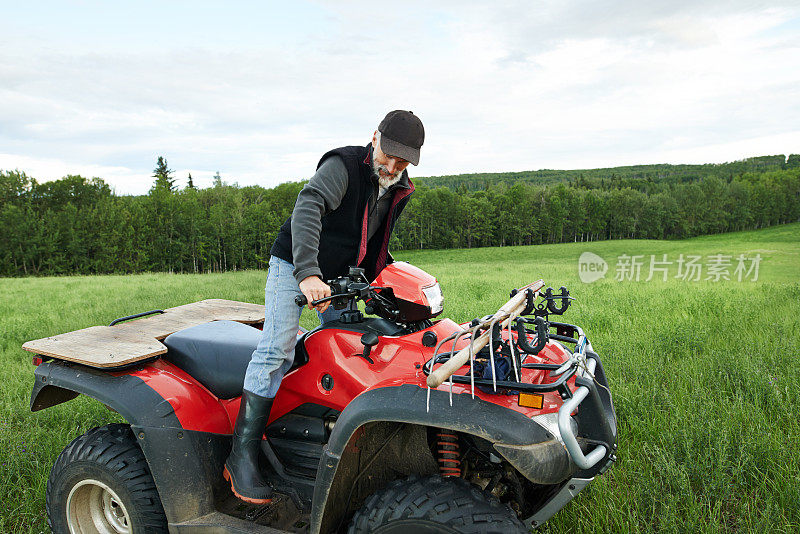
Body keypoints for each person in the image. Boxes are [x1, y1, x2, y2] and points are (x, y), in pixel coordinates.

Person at [223, 110, 425, 503]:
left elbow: (375, 243)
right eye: (390, 154)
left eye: (404, 160)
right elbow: (308, 208)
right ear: (375, 138)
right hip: (296, 264)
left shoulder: (396, 186)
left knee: (348, 347)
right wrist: (308, 274)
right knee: (277, 347)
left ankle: (324, 436)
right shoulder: (343, 166)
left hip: (341, 274)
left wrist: (386, 288)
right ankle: (241, 454)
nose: (394, 164)